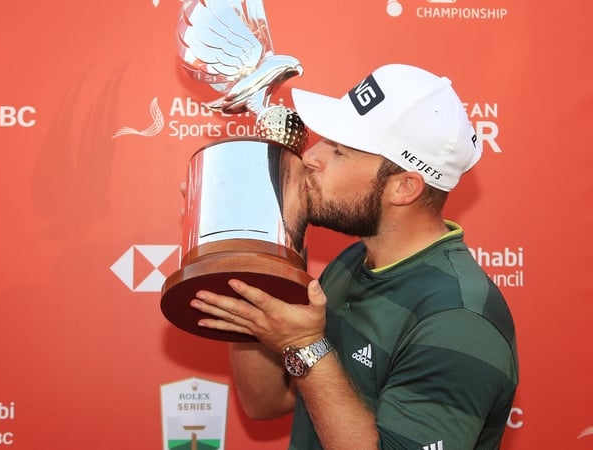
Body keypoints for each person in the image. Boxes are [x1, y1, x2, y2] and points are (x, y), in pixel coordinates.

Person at [189, 63, 519, 450]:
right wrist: (246, 247)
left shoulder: (459, 321)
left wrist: (305, 345)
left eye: (340, 151)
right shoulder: (351, 264)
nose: (311, 157)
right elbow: (267, 402)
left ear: (404, 187)